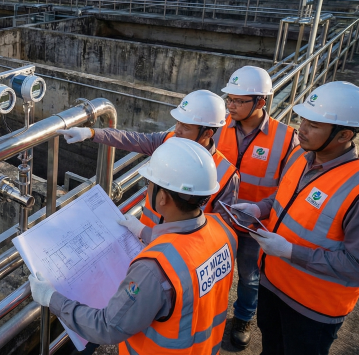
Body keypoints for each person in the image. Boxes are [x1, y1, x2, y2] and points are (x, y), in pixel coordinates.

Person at [29, 138, 237, 354]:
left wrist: (52, 299)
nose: (147, 189)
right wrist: (145, 232)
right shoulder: (224, 231)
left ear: (163, 197)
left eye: (150, 184)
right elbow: (192, 253)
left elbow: (108, 326)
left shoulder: (153, 269)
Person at [232, 81, 359, 355]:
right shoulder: (300, 155)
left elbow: (355, 264)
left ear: (344, 135)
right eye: (302, 120)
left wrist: (291, 252)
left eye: (313, 125)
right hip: (273, 284)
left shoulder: (355, 188)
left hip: (313, 309)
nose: (301, 128)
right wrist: (259, 209)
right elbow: (285, 198)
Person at [57, 89, 239, 238]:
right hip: (143, 241)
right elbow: (133, 139)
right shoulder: (168, 140)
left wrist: (146, 233)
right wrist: (92, 133)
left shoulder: (226, 174)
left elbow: (217, 235)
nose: (177, 130)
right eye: (178, 122)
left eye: (186, 127)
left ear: (208, 133)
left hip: (174, 257)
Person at [213, 65, 299, 348]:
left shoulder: (286, 139)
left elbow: (292, 189)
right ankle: (212, 315)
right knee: (213, 273)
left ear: (260, 102)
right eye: (229, 99)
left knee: (250, 277)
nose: (231, 106)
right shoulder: (218, 127)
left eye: (239, 101)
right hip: (219, 220)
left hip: (255, 225)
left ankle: (243, 317)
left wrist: (260, 210)